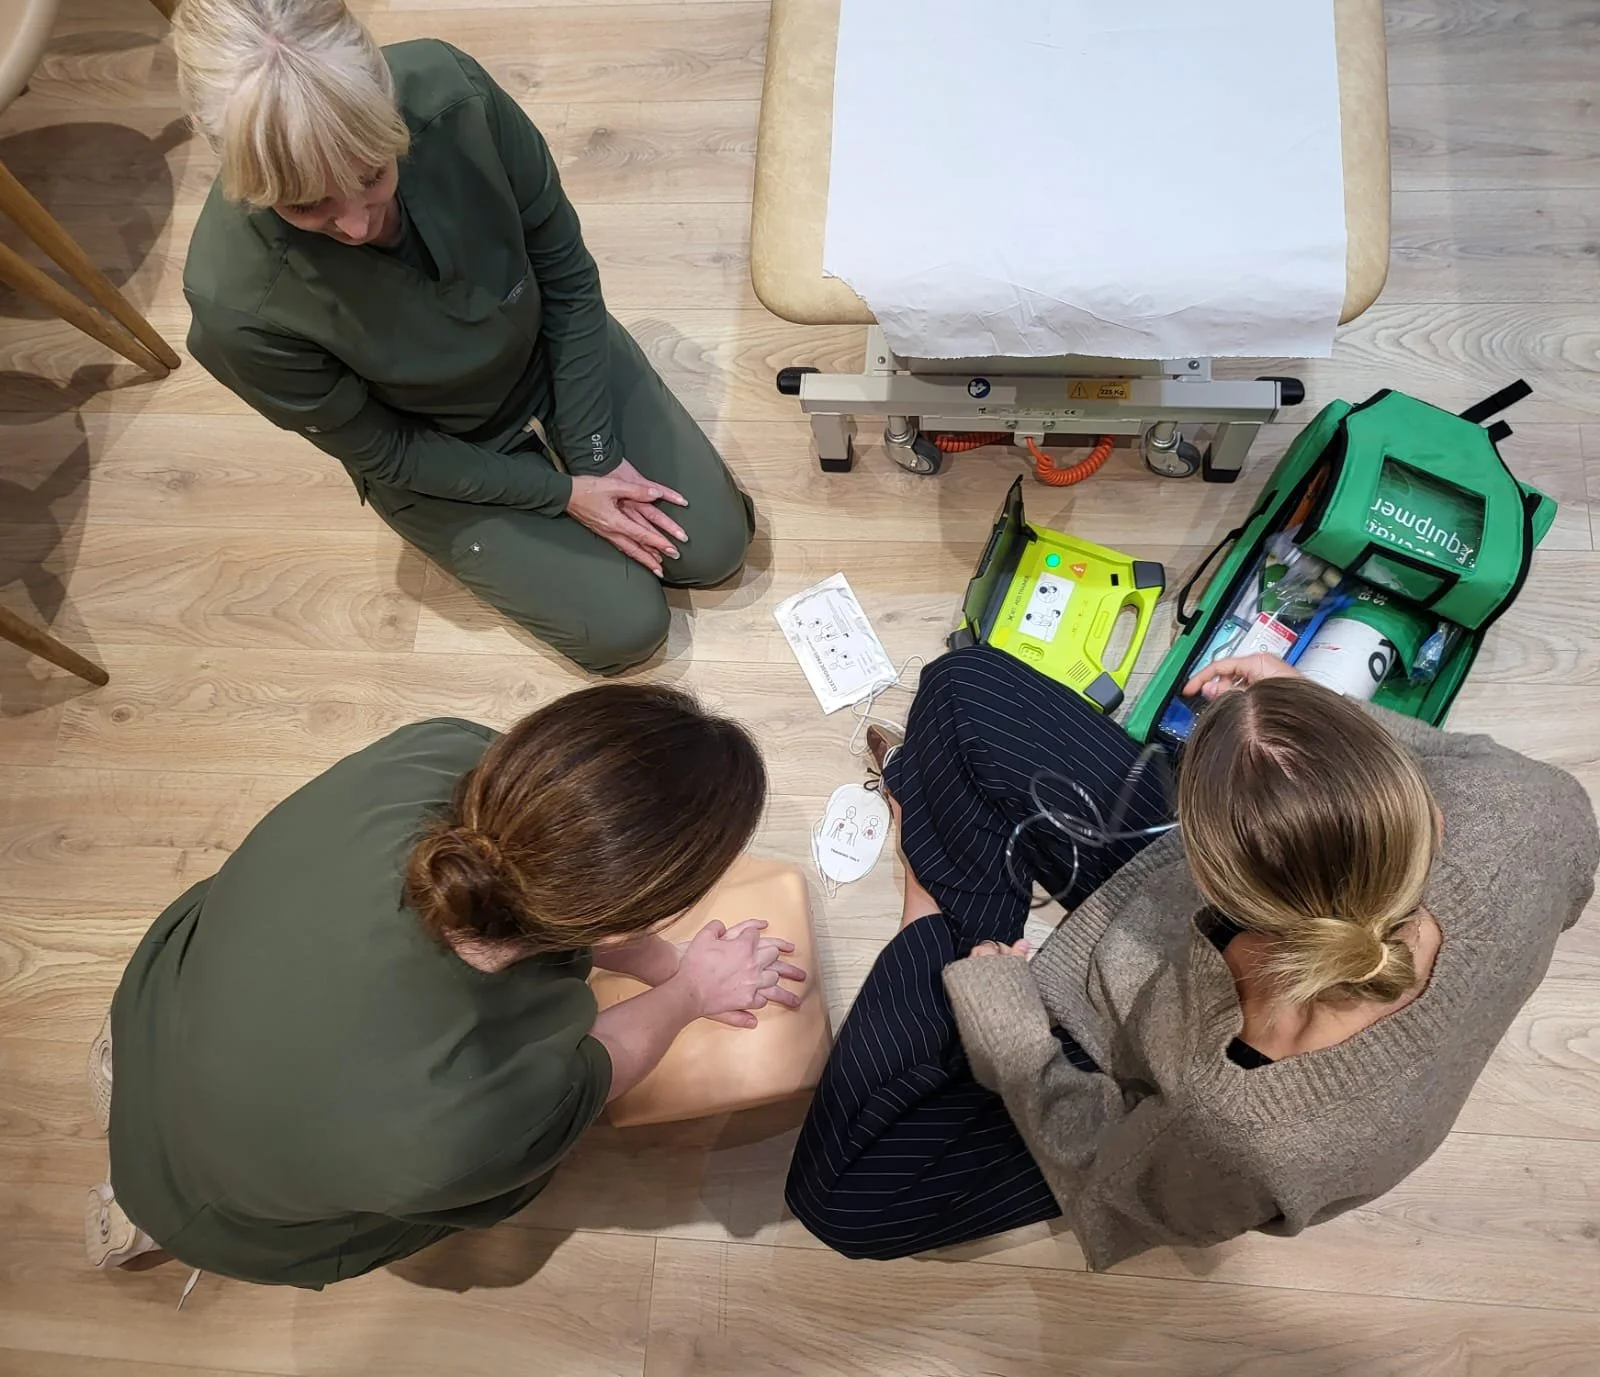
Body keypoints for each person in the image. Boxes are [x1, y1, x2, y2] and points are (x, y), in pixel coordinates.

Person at [785, 646, 1598, 1267]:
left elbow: (1118, 1191)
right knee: (962, 684)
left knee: (840, 1199)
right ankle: (950, 937)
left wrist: (1021, 1043)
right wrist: (1299, 712)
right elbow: (1454, 774)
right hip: (1224, 926)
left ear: (1214, 887)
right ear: (1427, 816)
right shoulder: (1540, 806)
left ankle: (932, 923)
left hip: (1139, 1076)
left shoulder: (1246, 1131)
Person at [86, 685, 806, 1287]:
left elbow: (548, 868)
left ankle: (129, 1073)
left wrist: (669, 959)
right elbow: (594, 1068)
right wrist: (689, 993)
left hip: (163, 996)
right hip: (209, 1202)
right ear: (622, 922)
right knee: (517, 1173)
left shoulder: (437, 752)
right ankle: (145, 1203)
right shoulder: (466, 1125)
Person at [170, 0, 755, 675]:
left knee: (715, 546)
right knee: (627, 628)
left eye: (370, 176)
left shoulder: (453, 94)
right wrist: (563, 495)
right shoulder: (233, 302)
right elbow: (385, 448)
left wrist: (593, 450)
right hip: (436, 442)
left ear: (387, 105)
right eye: (306, 205)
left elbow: (565, 272)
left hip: (550, 349)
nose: (357, 226)